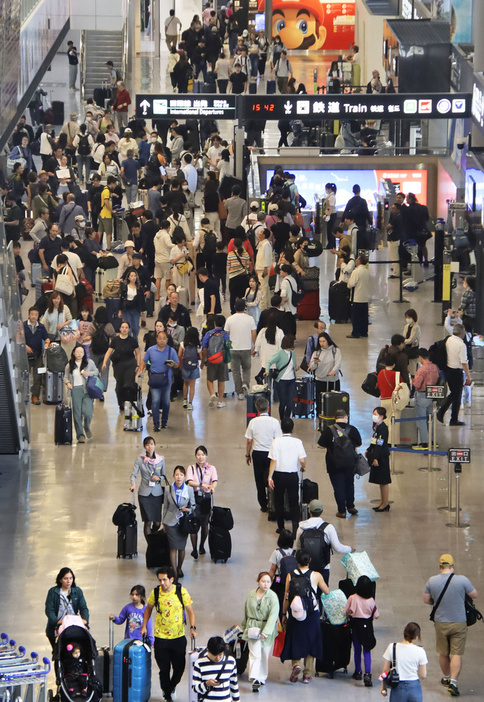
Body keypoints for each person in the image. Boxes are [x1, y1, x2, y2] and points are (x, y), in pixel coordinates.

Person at [423, 554, 477, 697]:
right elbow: (474, 594)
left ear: (439, 567)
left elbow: (426, 600)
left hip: (441, 622)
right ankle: (453, 682)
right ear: (453, 566)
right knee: (456, 654)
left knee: (443, 652)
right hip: (459, 622)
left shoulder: (431, 581)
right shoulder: (462, 580)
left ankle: (446, 677)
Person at [141, 567, 196, 702]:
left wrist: (192, 627)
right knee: (164, 669)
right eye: (160, 580)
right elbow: (148, 609)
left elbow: (190, 611)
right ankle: (167, 694)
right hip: (161, 638)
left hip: (178, 637)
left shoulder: (180, 591)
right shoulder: (156, 592)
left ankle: (171, 687)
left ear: (171, 579)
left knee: (179, 668)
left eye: (164, 579)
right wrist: (144, 626)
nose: (162, 583)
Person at [280, 550, 329, 684]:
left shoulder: (290, 575)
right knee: (311, 641)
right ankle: (307, 674)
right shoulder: (316, 575)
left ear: (296, 561)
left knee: (295, 638)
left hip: (295, 613)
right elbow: (327, 591)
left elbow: (286, 596)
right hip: (311, 614)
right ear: (310, 560)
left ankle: (296, 665)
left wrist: (284, 614)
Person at [317, 408, 362, 518]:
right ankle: (350, 506)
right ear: (346, 417)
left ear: (334, 418)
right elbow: (358, 444)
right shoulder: (352, 429)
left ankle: (341, 511)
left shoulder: (329, 430)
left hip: (334, 463)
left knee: (338, 487)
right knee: (349, 484)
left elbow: (321, 445)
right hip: (350, 463)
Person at [294, 499, 352, 584]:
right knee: (322, 593)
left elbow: (297, 547)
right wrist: (350, 549)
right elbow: (338, 548)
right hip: (323, 568)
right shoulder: (328, 528)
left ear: (309, 511)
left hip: (305, 567)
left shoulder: (301, 527)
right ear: (322, 511)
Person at [240, 572, 279, 692]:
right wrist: (243, 627)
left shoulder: (273, 596)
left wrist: (266, 632)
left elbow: (273, 616)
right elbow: (246, 611)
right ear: (258, 581)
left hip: (266, 628)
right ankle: (255, 678)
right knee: (255, 654)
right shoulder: (251, 594)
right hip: (252, 628)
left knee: (264, 654)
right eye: (263, 581)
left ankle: (262, 677)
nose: (266, 584)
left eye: (268, 582)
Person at [267, 418, 306, 536]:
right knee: (294, 502)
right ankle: (295, 528)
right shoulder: (297, 442)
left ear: (281, 429)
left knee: (279, 501)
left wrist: (270, 477)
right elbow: (302, 460)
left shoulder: (276, 442)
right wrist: (303, 467)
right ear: (293, 428)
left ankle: (281, 527)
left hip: (279, 475)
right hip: (292, 475)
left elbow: (273, 460)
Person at [245, 396, 282, 513]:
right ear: (268, 408)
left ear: (257, 409)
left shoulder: (253, 422)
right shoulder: (275, 422)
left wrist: (247, 454)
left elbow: (249, 441)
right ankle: (275, 502)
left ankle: (263, 505)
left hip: (258, 453)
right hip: (271, 454)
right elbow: (278, 440)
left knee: (259, 480)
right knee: (272, 478)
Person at [138, 330, 179, 431]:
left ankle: (164, 422)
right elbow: (144, 361)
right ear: (156, 339)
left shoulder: (171, 351)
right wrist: (141, 371)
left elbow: (177, 364)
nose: (162, 341)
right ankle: (156, 424)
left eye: (164, 338)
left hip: (167, 381)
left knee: (166, 402)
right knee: (155, 401)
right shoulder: (151, 350)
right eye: (160, 338)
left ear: (167, 340)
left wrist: (173, 364)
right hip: (155, 380)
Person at [344, 575, 379, 687]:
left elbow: (346, 612)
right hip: (367, 626)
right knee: (367, 649)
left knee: (357, 649)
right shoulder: (371, 600)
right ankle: (367, 673)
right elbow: (376, 615)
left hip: (355, 626)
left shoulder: (352, 598)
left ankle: (358, 671)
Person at [130, 436, 167, 540]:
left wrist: (159, 478)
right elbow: (133, 474)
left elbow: (164, 475)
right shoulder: (140, 459)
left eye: (151, 444)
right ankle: (150, 545)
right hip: (144, 494)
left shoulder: (161, 460)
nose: (150, 446)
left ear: (155, 445)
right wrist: (133, 484)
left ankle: (152, 538)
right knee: (148, 521)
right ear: (144, 446)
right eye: (147, 444)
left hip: (157, 494)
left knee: (157, 523)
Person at [162, 466, 196, 578]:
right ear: (173, 476)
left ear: (184, 477)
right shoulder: (168, 489)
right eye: (177, 474)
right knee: (173, 547)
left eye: (181, 475)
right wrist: (163, 522)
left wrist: (189, 509)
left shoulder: (189, 490)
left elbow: (193, 505)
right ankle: (175, 574)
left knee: (181, 547)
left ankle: (179, 567)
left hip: (183, 522)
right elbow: (165, 507)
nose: (179, 477)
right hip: (170, 521)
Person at [381, 622, 427, 701]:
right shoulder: (420, 651)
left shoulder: (392, 647)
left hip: (398, 687)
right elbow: (423, 675)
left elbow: (385, 670)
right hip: (414, 687)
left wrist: (383, 688)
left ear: (404, 632)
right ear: (416, 637)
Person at [45, 567, 89, 650]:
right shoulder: (53, 592)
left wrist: (85, 620)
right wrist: (57, 622)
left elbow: (84, 608)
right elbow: (49, 610)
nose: (69, 581)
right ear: (60, 579)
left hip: (72, 626)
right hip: (57, 627)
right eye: (65, 578)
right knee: (58, 651)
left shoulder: (77, 591)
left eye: (70, 578)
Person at [437, 324, 472, 427]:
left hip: (448, 370)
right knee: (456, 395)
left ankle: (450, 416)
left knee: (455, 394)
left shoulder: (448, 339)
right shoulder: (461, 345)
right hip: (456, 372)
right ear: (462, 333)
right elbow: (464, 362)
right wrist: (468, 377)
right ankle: (446, 414)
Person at [186, 446, 218, 559]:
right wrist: (201, 485)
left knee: (204, 524)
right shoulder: (191, 468)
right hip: (194, 497)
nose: (201, 457)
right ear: (195, 456)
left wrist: (212, 487)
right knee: (194, 523)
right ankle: (194, 549)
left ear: (206, 456)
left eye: (203, 454)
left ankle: (201, 546)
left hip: (206, 497)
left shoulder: (211, 468)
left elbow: (214, 481)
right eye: (199, 455)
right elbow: (189, 481)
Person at [102, 320, 141, 412]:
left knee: (129, 385)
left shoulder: (132, 340)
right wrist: (104, 362)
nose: (124, 329)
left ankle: (129, 402)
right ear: (120, 329)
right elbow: (109, 351)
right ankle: (121, 403)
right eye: (122, 327)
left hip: (130, 364)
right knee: (119, 386)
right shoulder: (115, 340)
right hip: (118, 365)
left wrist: (138, 365)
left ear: (129, 329)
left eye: (126, 327)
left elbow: (138, 353)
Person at [64, 344, 99, 444]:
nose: (79, 354)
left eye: (81, 352)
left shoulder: (89, 363)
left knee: (88, 412)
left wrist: (89, 374)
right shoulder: (69, 364)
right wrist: (68, 383)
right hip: (75, 390)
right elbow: (65, 377)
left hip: (87, 390)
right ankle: (80, 435)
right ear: (74, 353)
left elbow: (96, 371)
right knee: (77, 413)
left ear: (84, 354)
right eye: (77, 352)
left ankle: (86, 426)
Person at [224, 299, 256, 400]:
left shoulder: (229, 319)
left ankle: (239, 393)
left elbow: (226, 334)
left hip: (233, 349)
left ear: (234, 307)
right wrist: (255, 347)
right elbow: (254, 334)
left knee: (235, 371)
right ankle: (245, 384)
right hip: (246, 348)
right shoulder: (250, 319)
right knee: (246, 368)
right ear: (244, 307)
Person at [192, 636, 240, 702]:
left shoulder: (231, 662)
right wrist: (207, 684)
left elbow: (234, 685)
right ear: (208, 651)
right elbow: (195, 688)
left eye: (220, 654)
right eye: (214, 655)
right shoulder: (199, 663)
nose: (218, 658)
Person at [84, 306, 116, 396]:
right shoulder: (109, 326)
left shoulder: (92, 325)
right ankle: (102, 391)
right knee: (104, 372)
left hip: (93, 351)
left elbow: (88, 336)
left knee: (93, 371)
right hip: (105, 353)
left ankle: (93, 389)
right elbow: (114, 338)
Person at [265, 334, 298, 420]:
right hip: (281, 381)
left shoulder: (292, 353)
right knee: (283, 402)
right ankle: (282, 419)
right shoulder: (280, 353)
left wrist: (296, 367)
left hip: (291, 380)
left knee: (291, 402)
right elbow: (269, 362)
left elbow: (294, 365)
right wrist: (267, 371)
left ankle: (286, 419)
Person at [412, 349, 440, 450]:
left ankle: (424, 442)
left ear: (420, 357)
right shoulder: (434, 367)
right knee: (430, 419)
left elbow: (417, 384)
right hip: (432, 394)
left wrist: (413, 380)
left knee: (421, 419)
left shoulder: (422, 369)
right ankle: (432, 440)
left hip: (422, 395)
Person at [309, 332, 342, 415]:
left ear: (328, 340)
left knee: (334, 400)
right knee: (320, 400)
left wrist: (333, 371)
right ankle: (320, 415)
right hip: (320, 379)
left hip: (333, 380)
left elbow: (338, 363)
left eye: (323, 341)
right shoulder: (316, 352)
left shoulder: (335, 350)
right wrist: (315, 363)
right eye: (320, 342)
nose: (322, 343)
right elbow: (311, 367)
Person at [201, 314, 230, 408]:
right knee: (221, 380)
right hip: (222, 360)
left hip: (211, 359)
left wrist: (203, 361)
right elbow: (228, 347)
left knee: (210, 379)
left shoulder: (208, 334)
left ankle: (212, 394)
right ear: (224, 324)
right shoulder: (225, 335)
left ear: (214, 323)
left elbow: (204, 348)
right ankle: (220, 401)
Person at [366, 407, 391, 512]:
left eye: (376, 414)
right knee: (380, 481)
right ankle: (382, 502)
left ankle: (385, 503)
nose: (374, 416)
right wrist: (369, 449)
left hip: (382, 457)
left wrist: (375, 457)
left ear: (381, 416)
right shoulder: (377, 427)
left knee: (384, 481)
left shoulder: (383, 428)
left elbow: (380, 444)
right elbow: (374, 440)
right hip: (377, 454)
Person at [24, 307, 49, 405]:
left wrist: (47, 342)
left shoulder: (41, 327)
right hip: (25, 356)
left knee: (37, 377)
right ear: (29, 315)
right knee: (24, 376)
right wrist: (25, 346)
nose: (34, 316)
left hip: (38, 355)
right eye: (32, 314)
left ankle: (35, 396)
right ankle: (24, 396)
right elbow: (18, 338)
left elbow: (46, 337)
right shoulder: (23, 325)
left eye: (36, 314)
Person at [347, 253, 370, 339]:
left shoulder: (356, 271)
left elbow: (351, 284)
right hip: (365, 297)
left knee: (356, 317)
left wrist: (348, 284)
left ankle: (355, 332)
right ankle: (364, 332)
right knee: (364, 317)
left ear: (359, 261)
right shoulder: (366, 271)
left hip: (357, 297)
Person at [178, 326, 202, 410]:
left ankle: (185, 400)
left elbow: (179, 354)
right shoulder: (198, 346)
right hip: (194, 367)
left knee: (185, 383)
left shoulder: (183, 343)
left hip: (185, 366)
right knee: (192, 385)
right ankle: (190, 403)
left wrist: (180, 363)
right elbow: (201, 357)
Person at [119, 270, 145, 340]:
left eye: (135, 276)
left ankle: (135, 340)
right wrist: (120, 310)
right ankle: (128, 340)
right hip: (126, 309)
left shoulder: (139, 288)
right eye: (132, 276)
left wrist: (143, 311)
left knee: (136, 327)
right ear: (129, 278)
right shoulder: (125, 287)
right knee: (128, 326)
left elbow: (142, 300)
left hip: (135, 309)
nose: (133, 277)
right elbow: (121, 299)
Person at [227, 237, 251, 314]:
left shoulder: (230, 254)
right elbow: (247, 266)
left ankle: (233, 311)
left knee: (233, 295)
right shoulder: (246, 254)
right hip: (243, 278)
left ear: (234, 245)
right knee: (242, 295)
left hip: (233, 278)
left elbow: (228, 266)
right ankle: (242, 309)